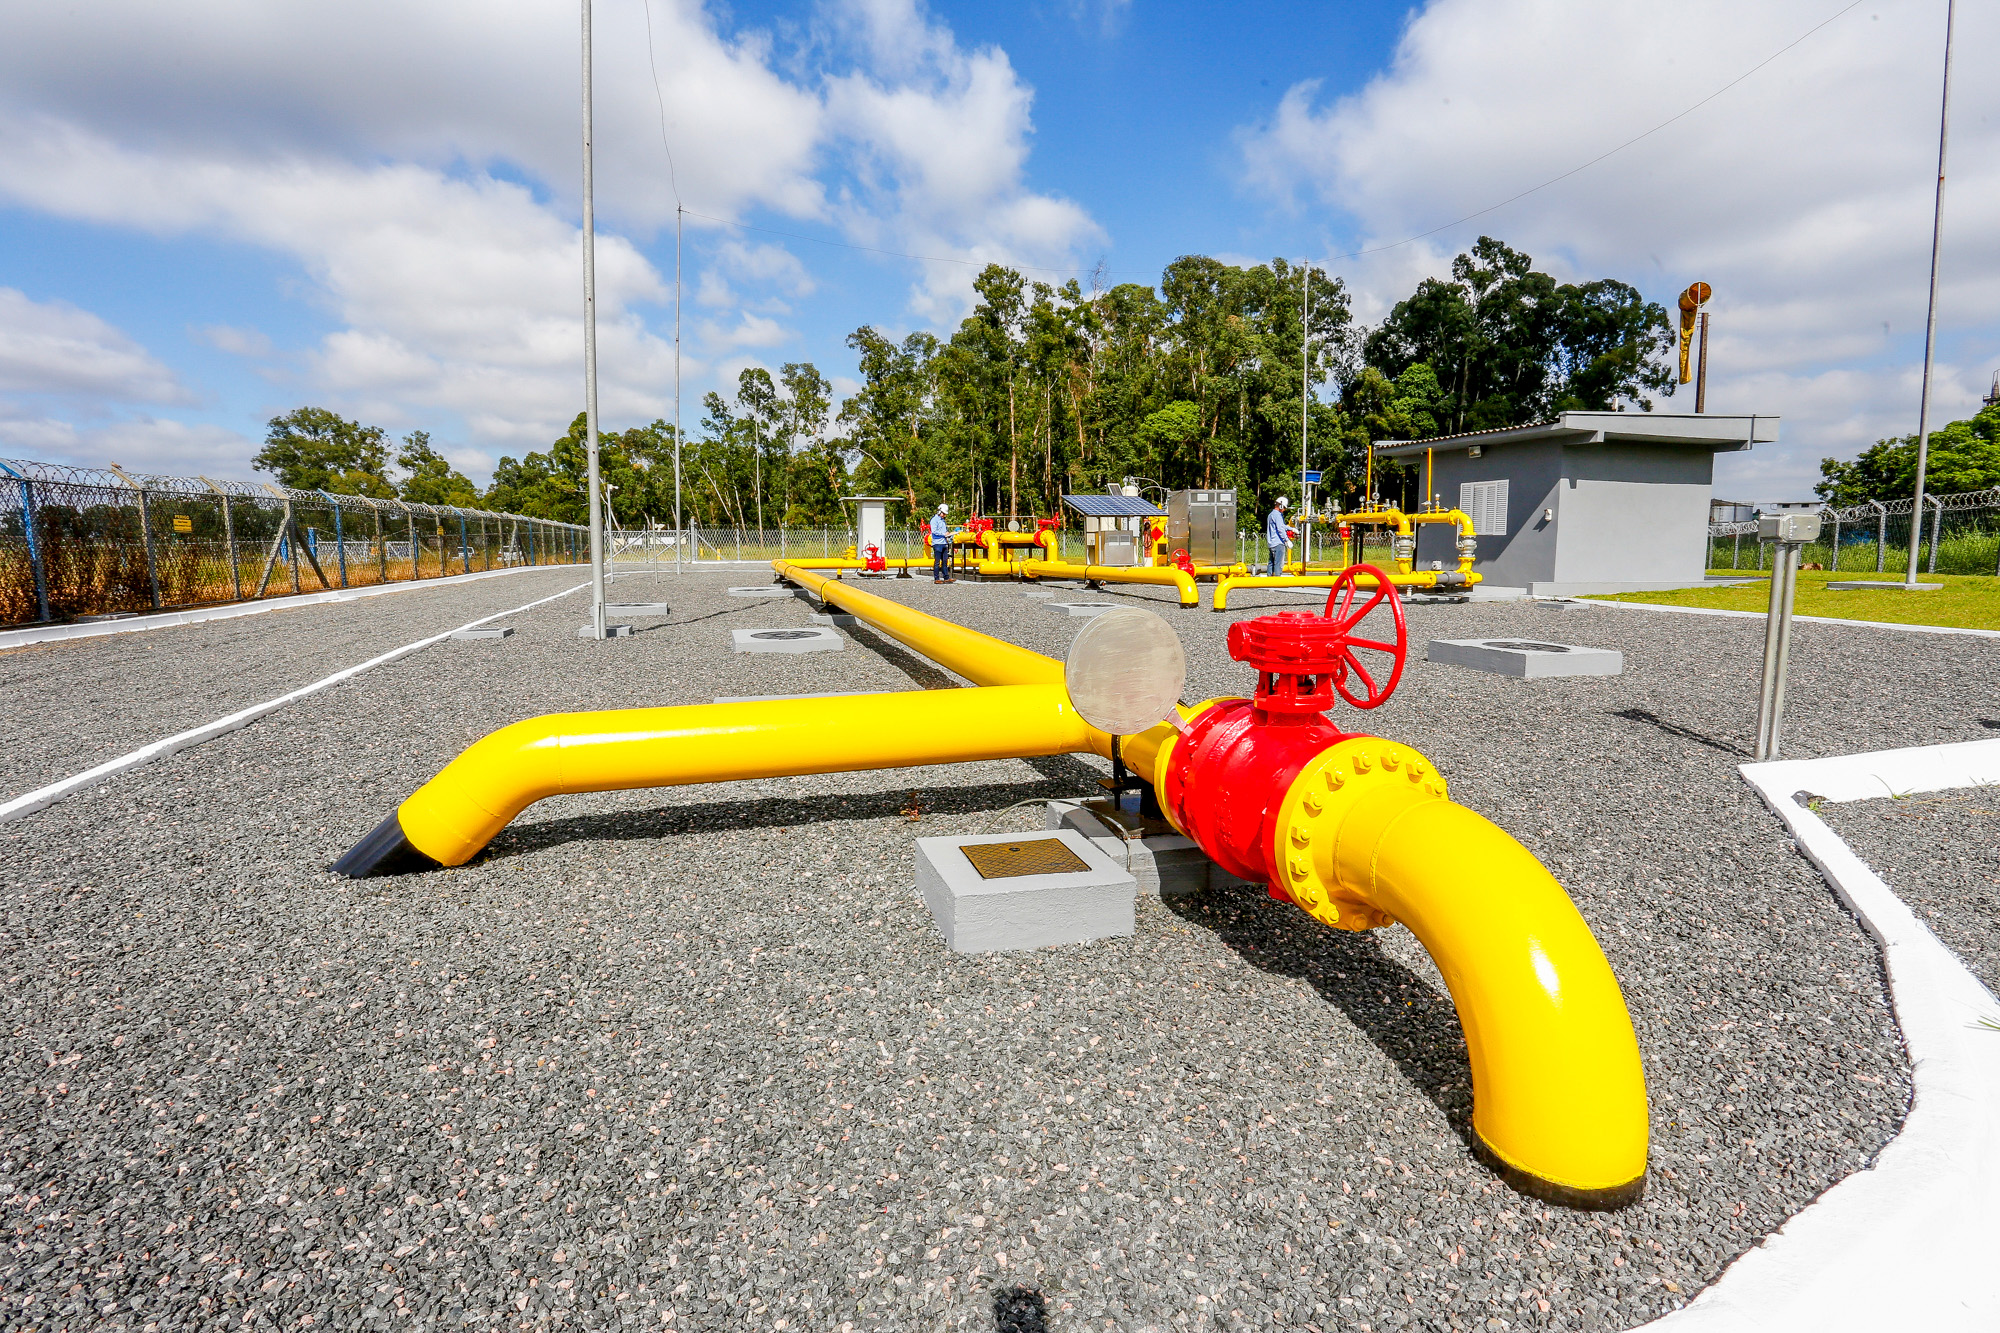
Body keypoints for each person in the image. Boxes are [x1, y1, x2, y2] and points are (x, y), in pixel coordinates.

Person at [1265, 496, 1293, 577]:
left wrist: (1291, 529)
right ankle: (1277, 579)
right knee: (1278, 563)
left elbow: (1282, 526)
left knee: (1271, 562)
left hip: (1271, 543)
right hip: (1278, 543)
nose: (1284, 510)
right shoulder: (1278, 515)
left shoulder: (1271, 514)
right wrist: (1287, 540)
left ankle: (1269, 578)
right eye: (1284, 507)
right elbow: (1280, 529)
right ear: (1280, 506)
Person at [929, 503, 955, 583]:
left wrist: (948, 534)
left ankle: (946, 577)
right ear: (939, 511)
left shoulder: (943, 521)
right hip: (937, 543)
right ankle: (936, 578)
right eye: (943, 513)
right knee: (937, 562)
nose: (944, 515)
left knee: (945, 561)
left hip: (944, 542)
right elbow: (934, 531)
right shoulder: (934, 520)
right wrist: (944, 534)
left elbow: (944, 531)